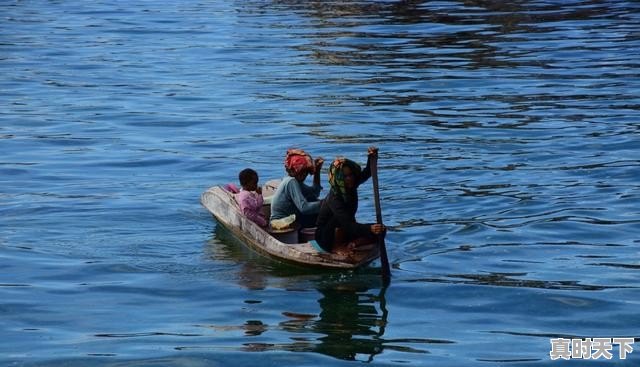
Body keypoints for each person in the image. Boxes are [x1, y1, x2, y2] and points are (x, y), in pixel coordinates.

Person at [314, 147, 385, 253]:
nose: (349, 179)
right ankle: (337, 247)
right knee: (339, 219)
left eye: (350, 175)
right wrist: (369, 228)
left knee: (381, 230)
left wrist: (372, 157)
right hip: (326, 237)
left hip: (347, 230)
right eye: (345, 176)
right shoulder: (335, 197)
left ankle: (353, 244)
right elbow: (347, 224)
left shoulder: (351, 185)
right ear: (339, 179)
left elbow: (368, 172)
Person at [270, 148, 324, 228]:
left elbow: (314, 193)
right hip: (281, 222)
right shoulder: (291, 181)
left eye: (305, 172)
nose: (304, 175)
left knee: (315, 203)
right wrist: (324, 204)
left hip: (290, 219)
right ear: (292, 171)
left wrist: (317, 171)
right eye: (301, 172)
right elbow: (304, 208)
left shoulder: (296, 182)